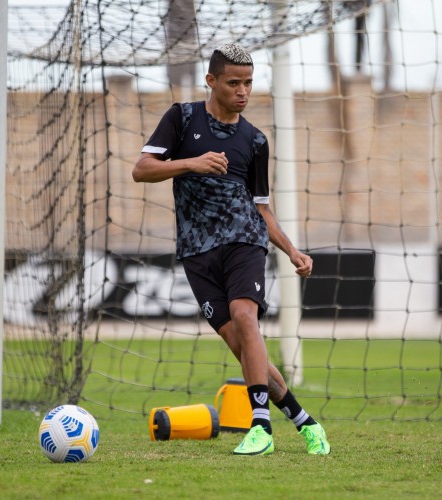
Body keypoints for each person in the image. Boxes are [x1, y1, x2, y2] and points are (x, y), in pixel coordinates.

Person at [132, 43, 330, 456]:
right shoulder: (182, 118)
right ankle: (305, 421)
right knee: (243, 344)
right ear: (211, 81)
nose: (243, 91)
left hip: (244, 240)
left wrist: (292, 251)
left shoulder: (255, 140)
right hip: (196, 253)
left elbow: (261, 207)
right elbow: (142, 169)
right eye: (234, 82)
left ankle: (260, 427)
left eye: (249, 83)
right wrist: (192, 162)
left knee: (246, 317)